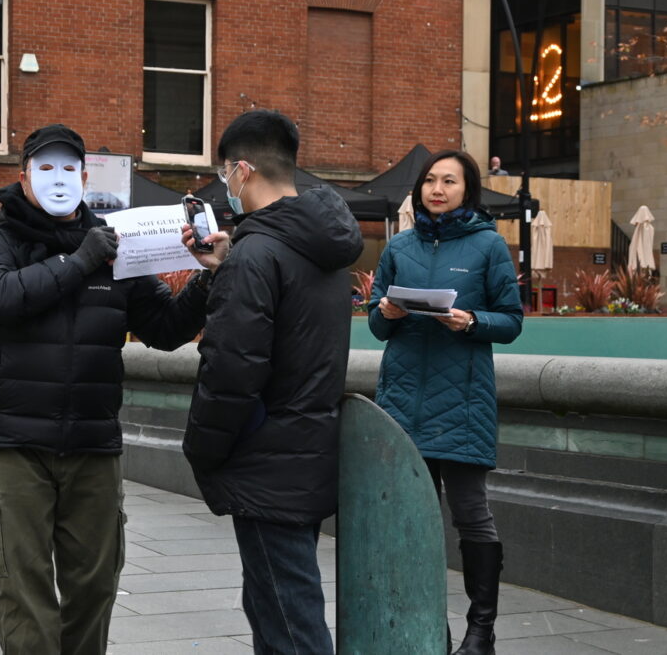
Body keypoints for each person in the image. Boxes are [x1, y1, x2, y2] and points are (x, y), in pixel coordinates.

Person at [0, 123, 228, 654]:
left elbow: (164, 329)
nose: (58, 178)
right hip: (17, 443)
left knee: (95, 585)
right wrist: (79, 260)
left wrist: (207, 276)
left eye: (68, 168)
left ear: (85, 177)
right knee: (24, 585)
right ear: (24, 177)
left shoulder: (117, 244)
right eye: (45, 168)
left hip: (93, 445)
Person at [181, 110, 364, 654]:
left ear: (242, 171)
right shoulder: (320, 248)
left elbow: (232, 370)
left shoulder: (257, 254)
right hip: (306, 450)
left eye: (223, 178)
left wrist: (202, 449)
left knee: (287, 619)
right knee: (278, 605)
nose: (224, 190)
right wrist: (223, 266)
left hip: (265, 462)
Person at [368, 149, 523, 655]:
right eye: (431, 181)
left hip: (462, 400)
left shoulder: (488, 246)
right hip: (402, 399)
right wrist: (388, 310)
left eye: (449, 181)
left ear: (467, 189)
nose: (438, 189)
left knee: (470, 514)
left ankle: (482, 632)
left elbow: (512, 321)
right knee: (410, 515)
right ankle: (427, 625)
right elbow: (375, 325)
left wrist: (471, 321)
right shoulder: (399, 246)